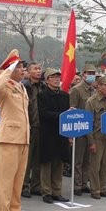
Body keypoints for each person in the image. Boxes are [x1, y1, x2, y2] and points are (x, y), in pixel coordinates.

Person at [0, 49, 31, 211]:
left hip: (23, 139)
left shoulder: (21, 87)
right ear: (12, 69)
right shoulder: (4, 86)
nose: (23, 70)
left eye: (22, 67)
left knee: (18, 181)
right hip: (8, 139)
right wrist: (7, 69)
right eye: (19, 67)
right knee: (6, 181)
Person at [36, 68, 70, 203]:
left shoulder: (64, 95)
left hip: (61, 133)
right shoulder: (42, 95)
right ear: (47, 80)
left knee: (59, 163)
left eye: (58, 77)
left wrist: (69, 115)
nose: (57, 79)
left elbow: (66, 114)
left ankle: (57, 191)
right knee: (47, 163)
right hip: (47, 133)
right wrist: (60, 115)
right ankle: (46, 192)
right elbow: (43, 113)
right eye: (53, 77)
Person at [84, 75, 106, 199]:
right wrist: (91, 142)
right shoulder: (91, 101)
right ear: (99, 87)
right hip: (97, 137)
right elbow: (88, 123)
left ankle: (103, 188)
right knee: (95, 165)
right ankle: (95, 190)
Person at [68, 63, 96, 195]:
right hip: (79, 128)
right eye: (89, 73)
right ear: (83, 74)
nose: (91, 76)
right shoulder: (76, 90)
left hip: (90, 129)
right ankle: (77, 185)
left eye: (93, 73)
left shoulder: (93, 91)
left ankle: (85, 183)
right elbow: (72, 111)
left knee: (87, 159)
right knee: (78, 160)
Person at [21, 61, 44, 198]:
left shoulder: (43, 87)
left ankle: (36, 185)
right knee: (26, 160)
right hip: (28, 126)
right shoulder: (24, 86)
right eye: (35, 69)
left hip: (40, 126)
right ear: (28, 72)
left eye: (40, 69)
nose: (38, 71)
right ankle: (24, 186)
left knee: (38, 158)